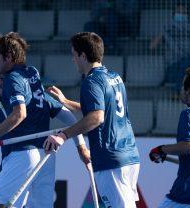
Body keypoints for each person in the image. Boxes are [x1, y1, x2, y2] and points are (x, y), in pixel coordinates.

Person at [0, 32, 89, 207]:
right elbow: (66, 114)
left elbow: (19, 114)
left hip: (22, 154)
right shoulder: (32, 77)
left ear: (9, 57)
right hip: (46, 154)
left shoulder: (13, 79)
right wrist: (80, 146)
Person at [44, 32, 140, 208]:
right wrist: (66, 102)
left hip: (110, 158)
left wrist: (63, 136)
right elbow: (99, 109)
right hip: (129, 155)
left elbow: (96, 117)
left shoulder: (92, 81)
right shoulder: (114, 77)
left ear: (83, 55)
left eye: (74, 55)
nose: (73, 60)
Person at [149, 67, 190, 208]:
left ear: (188, 90)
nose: (180, 89)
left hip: (187, 196)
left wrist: (162, 149)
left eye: (183, 86)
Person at [149, 3, 190, 89]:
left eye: (183, 12)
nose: (180, 14)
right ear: (174, 14)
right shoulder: (166, 27)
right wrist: (162, 33)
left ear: (187, 15)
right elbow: (151, 46)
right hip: (174, 67)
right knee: (187, 63)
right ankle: (179, 93)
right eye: (178, 12)